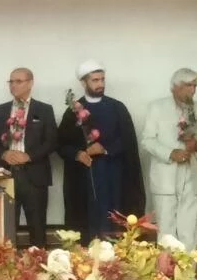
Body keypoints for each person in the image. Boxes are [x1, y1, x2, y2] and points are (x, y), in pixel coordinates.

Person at [58, 59, 145, 242]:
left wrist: (105, 149)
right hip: (84, 178)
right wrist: (79, 154)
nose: (100, 84)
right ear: (83, 83)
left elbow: (128, 141)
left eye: (102, 79)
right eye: (95, 80)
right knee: (88, 222)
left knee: (114, 220)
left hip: (114, 175)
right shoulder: (73, 111)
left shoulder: (117, 107)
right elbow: (61, 144)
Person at [0, 67, 57, 248]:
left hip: (34, 176)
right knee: (6, 226)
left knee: (37, 227)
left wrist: (29, 156)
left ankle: (39, 263)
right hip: (6, 175)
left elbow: (52, 142)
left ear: (30, 83)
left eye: (18, 81)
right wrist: (4, 153)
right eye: (11, 81)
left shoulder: (44, 110)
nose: (13, 85)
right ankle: (6, 263)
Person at [141, 68, 197, 251]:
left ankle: (188, 270)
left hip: (192, 175)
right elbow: (147, 140)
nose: (193, 90)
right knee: (166, 232)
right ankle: (166, 270)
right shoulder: (156, 107)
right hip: (165, 176)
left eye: (195, 86)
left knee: (189, 231)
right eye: (188, 85)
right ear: (175, 87)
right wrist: (171, 153)